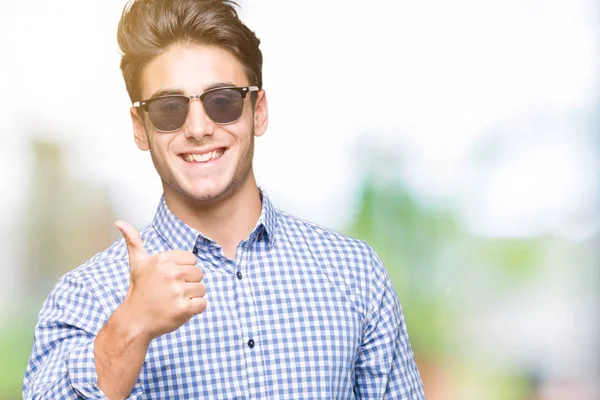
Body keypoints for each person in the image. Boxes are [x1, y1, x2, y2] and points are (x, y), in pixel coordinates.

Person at [22, 0, 425, 398]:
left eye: (222, 101)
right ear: (141, 128)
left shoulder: (354, 274)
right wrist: (131, 325)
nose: (198, 128)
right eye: (169, 108)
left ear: (258, 110)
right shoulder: (87, 297)